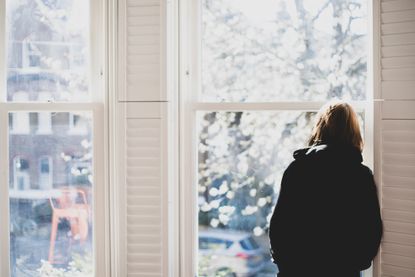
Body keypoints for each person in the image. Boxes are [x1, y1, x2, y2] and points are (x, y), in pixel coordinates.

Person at [269, 101, 383, 277]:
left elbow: (279, 225)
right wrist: (356, 263)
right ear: (354, 132)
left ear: (320, 128)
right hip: (342, 269)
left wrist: (285, 264)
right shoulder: (360, 175)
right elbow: (370, 228)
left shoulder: (298, 169)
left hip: (297, 268)